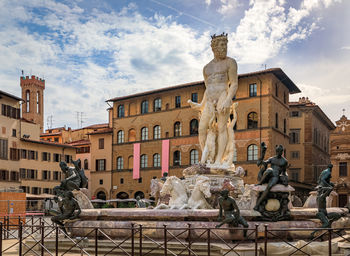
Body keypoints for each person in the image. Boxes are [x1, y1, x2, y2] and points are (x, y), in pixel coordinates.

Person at [188, 33, 238, 165]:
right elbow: (207, 88)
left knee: (222, 128)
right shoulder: (206, 68)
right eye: (222, 45)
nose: (225, 48)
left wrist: (228, 100)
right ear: (214, 48)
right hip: (210, 100)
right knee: (202, 129)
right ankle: (208, 159)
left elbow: (234, 83)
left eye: (226, 45)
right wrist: (201, 104)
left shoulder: (230, 62)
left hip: (223, 96)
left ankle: (218, 160)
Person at [254, 145, 288, 211]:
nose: (278, 152)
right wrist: (263, 153)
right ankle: (260, 183)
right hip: (269, 174)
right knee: (269, 170)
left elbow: (284, 172)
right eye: (277, 151)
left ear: (282, 152)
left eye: (280, 151)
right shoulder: (272, 159)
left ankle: (257, 205)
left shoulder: (284, 161)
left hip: (275, 176)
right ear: (276, 151)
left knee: (269, 187)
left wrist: (285, 178)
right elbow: (263, 163)